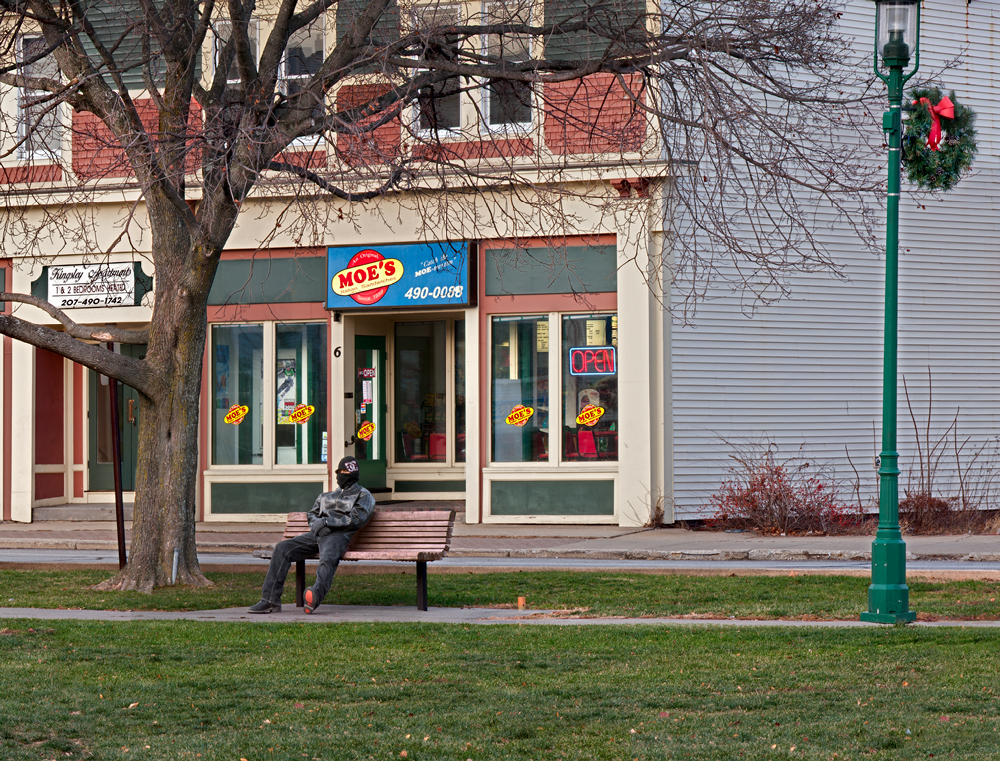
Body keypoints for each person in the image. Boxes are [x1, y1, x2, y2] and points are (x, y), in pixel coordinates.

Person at [248, 456, 375, 614]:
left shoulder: (364, 495)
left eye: (345, 472)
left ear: (354, 474)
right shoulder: (325, 496)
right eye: (339, 471)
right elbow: (312, 515)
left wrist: (328, 522)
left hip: (339, 536)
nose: (341, 475)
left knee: (327, 558)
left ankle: (315, 594)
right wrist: (318, 526)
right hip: (317, 535)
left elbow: (357, 518)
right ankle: (269, 600)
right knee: (282, 548)